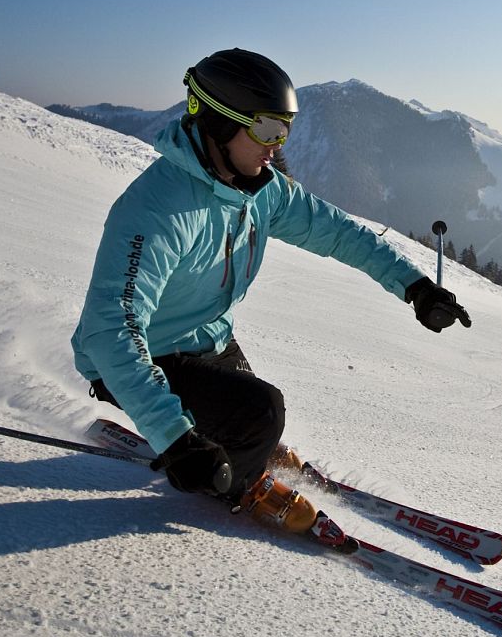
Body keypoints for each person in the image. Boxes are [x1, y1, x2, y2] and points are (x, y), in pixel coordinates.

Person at [72, 48, 471, 538]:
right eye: (265, 129)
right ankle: (241, 486)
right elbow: (111, 329)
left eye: (284, 130)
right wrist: (175, 441)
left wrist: (415, 286)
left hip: (205, 341)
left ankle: (242, 446)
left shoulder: (259, 191)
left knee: (252, 415)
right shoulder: (156, 211)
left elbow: (340, 232)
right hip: (137, 360)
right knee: (260, 410)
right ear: (219, 123)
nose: (276, 145)